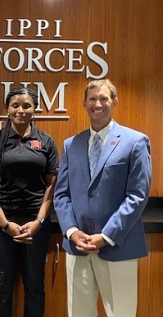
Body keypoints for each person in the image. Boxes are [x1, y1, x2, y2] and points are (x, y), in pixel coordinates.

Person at [53, 79, 152, 317]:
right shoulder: (71, 144)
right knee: (78, 313)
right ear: (84, 104)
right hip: (78, 246)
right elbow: (61, 195)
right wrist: (71, 231)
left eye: (104, 98)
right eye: (92, 99)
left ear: (114, 102)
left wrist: (106, 236)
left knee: (121, 313)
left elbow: (137, 196)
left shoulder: (135, 141)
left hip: (118, 244)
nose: (98, 103)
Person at [0, 87, 59, 317]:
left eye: (26, 106)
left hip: (36, 222)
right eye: (15, 106)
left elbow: (52, 185)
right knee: (3, 284)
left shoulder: (46, 141)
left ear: (35, 109)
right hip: (2, 221)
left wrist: (39, 220)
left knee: (35, 284)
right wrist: (5, 224)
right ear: (7, 109)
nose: (21, 111)